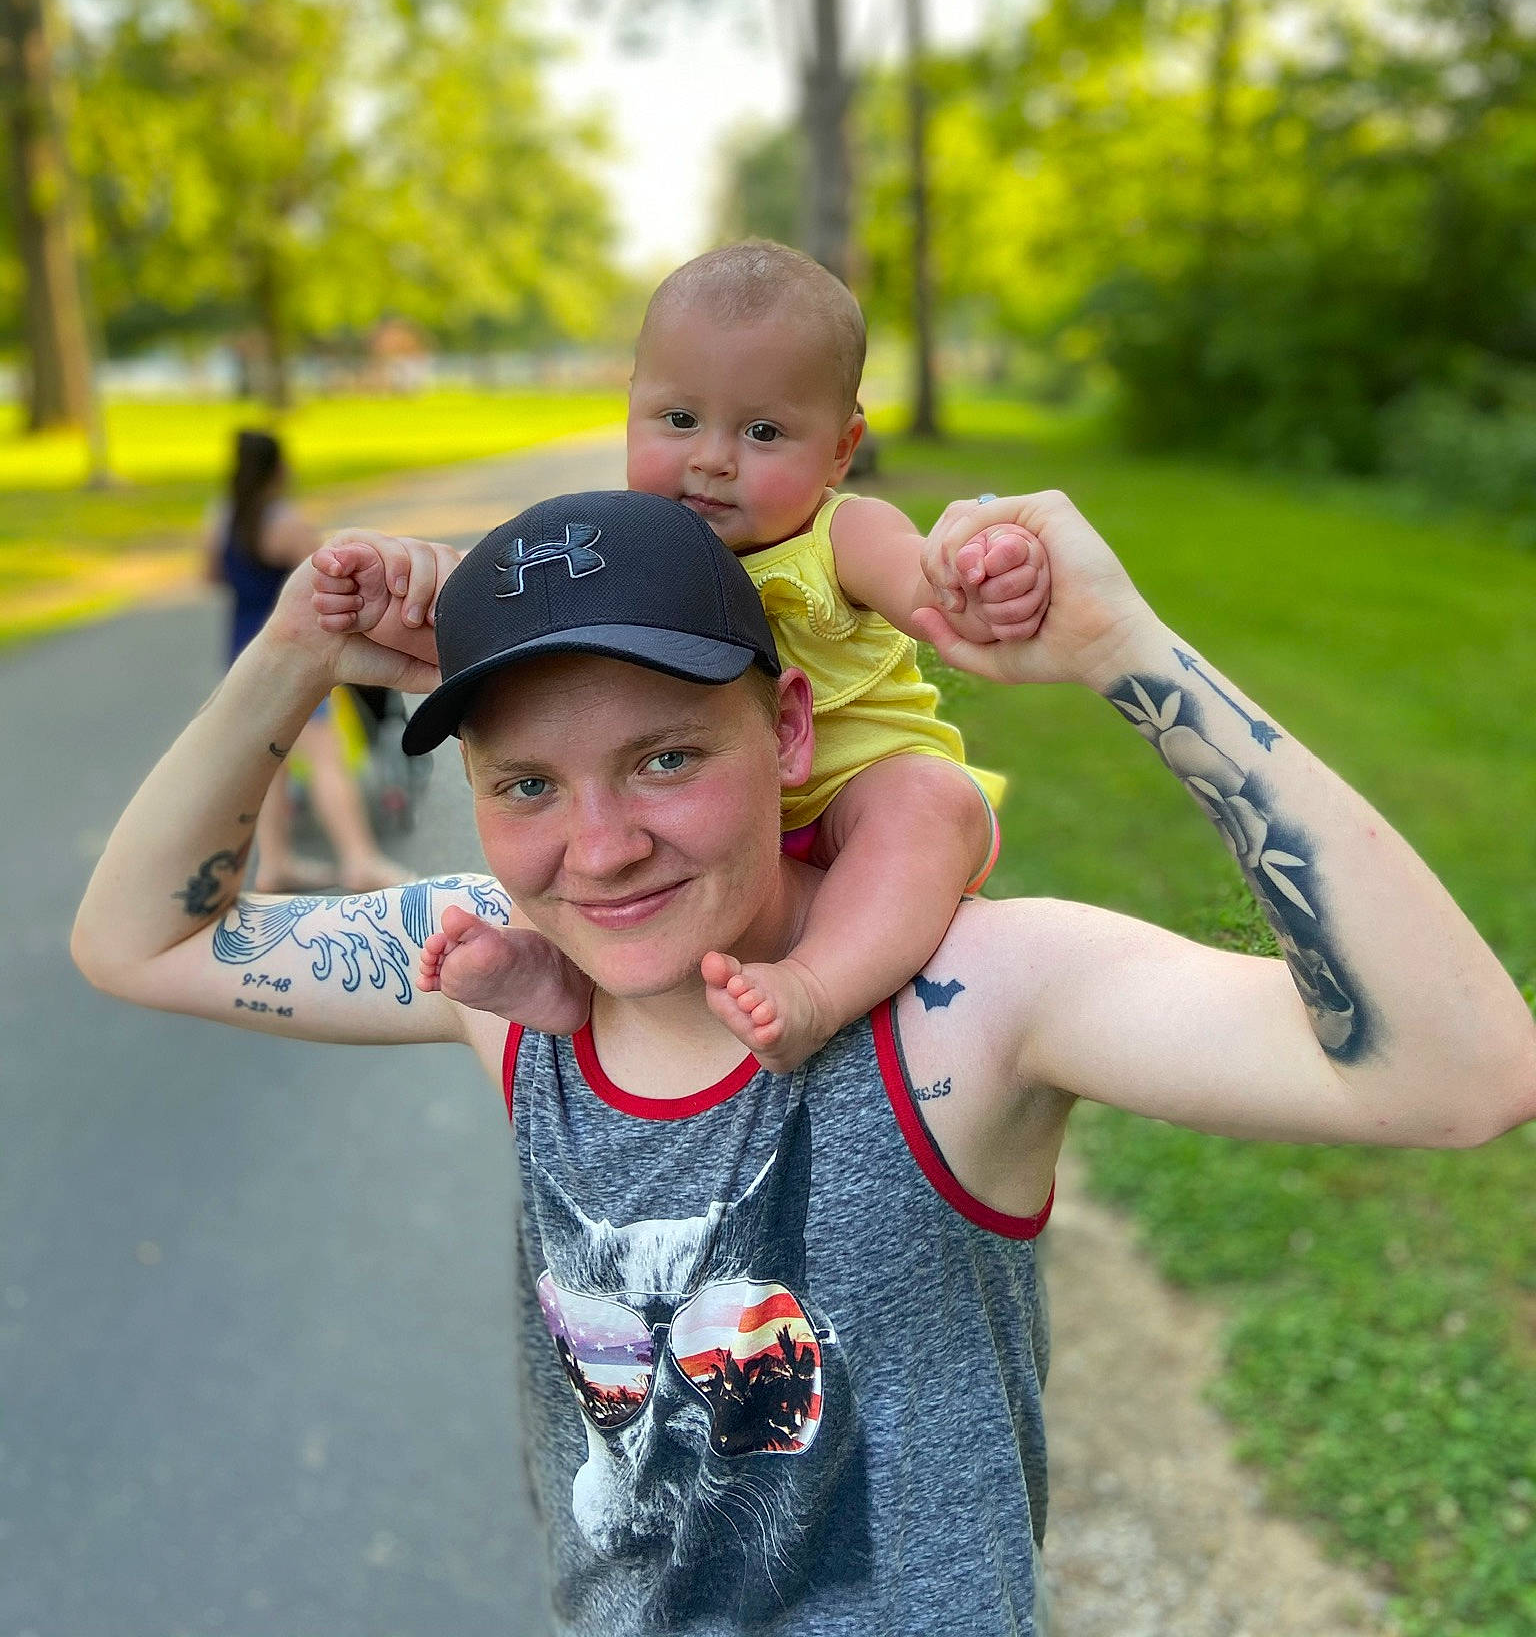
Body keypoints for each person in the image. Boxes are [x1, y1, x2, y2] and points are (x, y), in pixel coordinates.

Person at [74, 485, 1536, 1636]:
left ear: (787, 726)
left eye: (665, 758)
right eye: (526, 786)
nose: (600, 849)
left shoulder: (961, 1000)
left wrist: (1130, 655)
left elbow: (1459, 1072)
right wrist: (291, 657)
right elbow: (138, 939)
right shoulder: (502, 983)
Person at [313, 241, 1051, 1069]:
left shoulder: (842, 533)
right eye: (679, 419)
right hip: (724, 819)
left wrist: (981, 578)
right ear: (631, 407)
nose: (712, 457)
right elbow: (524, 604)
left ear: (842, 449)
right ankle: (557, 981)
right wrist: (406, 586)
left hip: (852, 791)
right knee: (573, 829)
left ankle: (817, 989)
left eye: (763, 431)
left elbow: (928, 589)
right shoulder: (629, 543)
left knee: (926, 802)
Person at [204, 426, 409, 894]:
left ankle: (274, 861)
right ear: (278, 468)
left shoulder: (222, 517)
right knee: (325, 757)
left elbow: (211, 573)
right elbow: (327, 578)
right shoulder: (285, 522)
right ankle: (360, 859)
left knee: (266, 763)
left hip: (240, 647)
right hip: (290, 649)